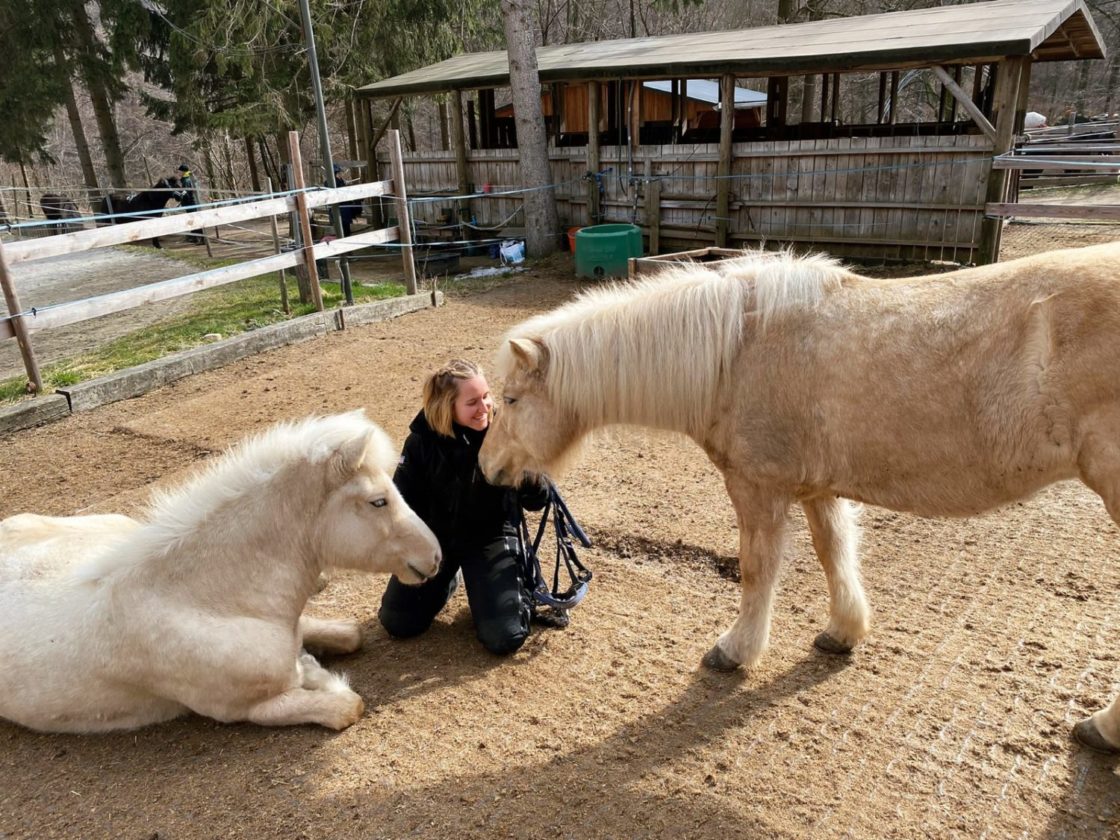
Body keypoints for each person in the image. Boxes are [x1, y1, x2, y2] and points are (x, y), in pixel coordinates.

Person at [378, 359, 568, 655]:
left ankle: (512, 589)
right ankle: (449, 579)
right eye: (472, 402)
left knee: (504, 637)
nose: (485, 407)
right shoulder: (420, 442)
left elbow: (536, 503)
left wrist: (531, 476)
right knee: (398, 622)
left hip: (490, 537)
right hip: (437, 540)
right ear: (447, 406)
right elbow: (402, 500)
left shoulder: (507, 433)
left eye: (486, 396)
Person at [325, 163, 362, 237]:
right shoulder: (330, 182)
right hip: (340, 208)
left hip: (344, 207)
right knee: (344, 228)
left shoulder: (339, 181)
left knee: (357, 204)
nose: (340, 174)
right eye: (338, 173)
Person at [176, 163, 204, 244]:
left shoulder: (187, 181)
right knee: (192, 221)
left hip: (191, 204)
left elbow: (186, 194)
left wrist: (179, 197)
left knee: (195, 221)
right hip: (189, 204)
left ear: (183, 172)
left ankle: (202, 239)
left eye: (179, 171)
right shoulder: (186, 180)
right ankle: (194, 237)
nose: (178, 173)